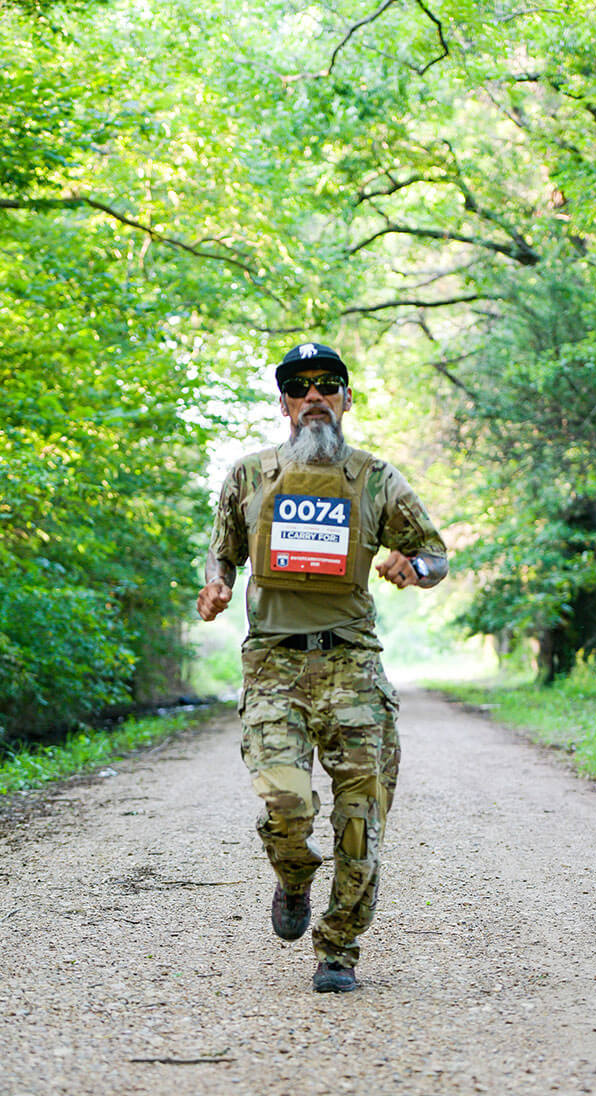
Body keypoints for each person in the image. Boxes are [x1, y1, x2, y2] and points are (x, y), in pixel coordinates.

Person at [197, 342, 448, 993]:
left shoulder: (376, 479)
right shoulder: (249, 475)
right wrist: (217, 584)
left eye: (327, 384)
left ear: (346, 398)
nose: (314, 396)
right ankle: (294, 875)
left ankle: (339, 949)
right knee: (286, 805)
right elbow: (223, 552)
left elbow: (434, 556)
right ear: (284, 403)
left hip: (353, 667)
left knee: (360, 822)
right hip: (273, 666)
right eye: (300, 386)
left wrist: (413, 567)